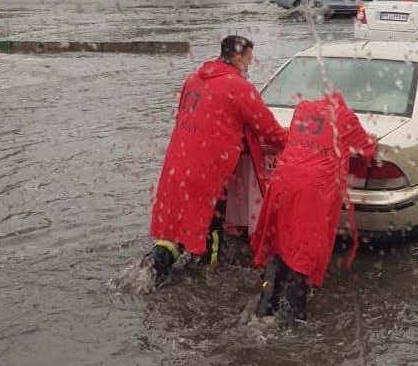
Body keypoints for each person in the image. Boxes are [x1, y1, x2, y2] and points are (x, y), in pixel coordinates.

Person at [144, 35, 288, 286]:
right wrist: (297, 143)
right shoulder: (240, 88)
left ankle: (153, 268)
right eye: (248, 60)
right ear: (238, 57)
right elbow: (270, 131)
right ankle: (206, 276)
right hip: (209, 168)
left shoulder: (194, 78)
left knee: (179, 217)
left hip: (177, 161)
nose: (249, 66)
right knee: (211, 221)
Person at [250, 92, 377, 326]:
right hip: (312, 190)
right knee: (304, 249)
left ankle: (265, 305)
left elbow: (293, 136)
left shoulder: (302, 108)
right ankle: (292, 316)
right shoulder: (344, 116)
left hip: (281, 181)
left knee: (280, 242)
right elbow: (367, 149)